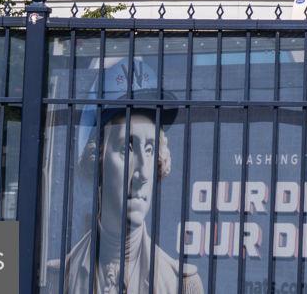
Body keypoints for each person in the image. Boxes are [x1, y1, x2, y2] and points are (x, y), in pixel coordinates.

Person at [48, 59, 203, 294]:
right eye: (126, 148)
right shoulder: (59, 278)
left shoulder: (182, 284)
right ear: (96, 158)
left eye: (150, 149)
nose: (142, 172)